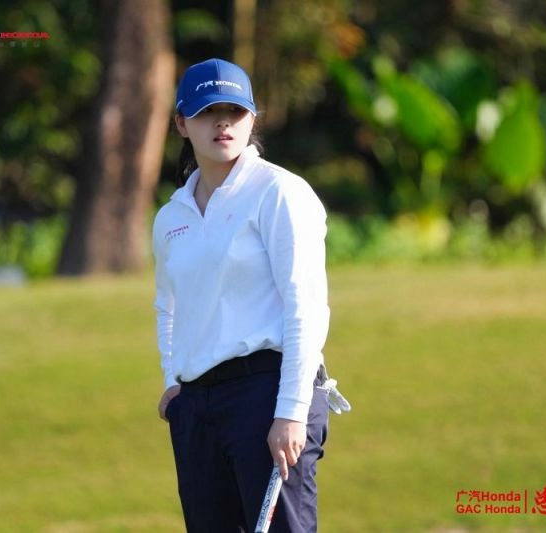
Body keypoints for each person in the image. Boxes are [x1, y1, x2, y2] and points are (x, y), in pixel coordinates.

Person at [153, 58, 337, 532]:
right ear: (181, 123)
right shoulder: (171, 216)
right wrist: (174, 383)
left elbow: (305, 306)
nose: (223, 123)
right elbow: (167, 305)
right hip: (198, 405)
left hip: (267, 394)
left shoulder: (280, 192)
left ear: (252, 119)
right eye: (207, 112)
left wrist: (291, 412)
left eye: (234, 111)